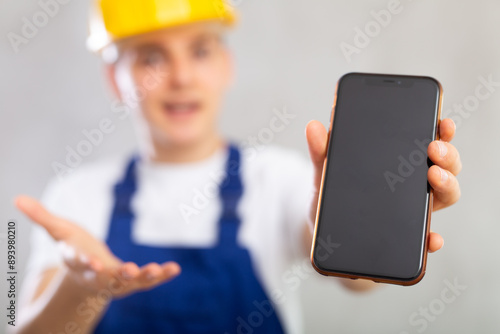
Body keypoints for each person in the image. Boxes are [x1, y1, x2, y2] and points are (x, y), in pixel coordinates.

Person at [13, 0, 462, 333]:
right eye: (151, 57)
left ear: (226, 65)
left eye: (200, 51)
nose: (182, 76)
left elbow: (356, 283)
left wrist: (367, 227)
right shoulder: (76, 196)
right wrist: (81, 285)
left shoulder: (280, 179)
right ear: (116, 79)